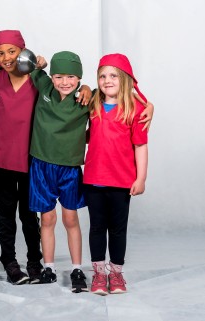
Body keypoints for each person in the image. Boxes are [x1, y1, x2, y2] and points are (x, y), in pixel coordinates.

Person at [83, 53, 149, 295]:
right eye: (102, 76)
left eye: (113, 75)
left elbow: (140, 146)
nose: (107, 80)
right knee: (97, 227)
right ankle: (99, 274)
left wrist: (140, 177)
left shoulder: (136, 108)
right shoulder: (92, 105)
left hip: (121, 181)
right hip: (93, 180)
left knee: (118, 229)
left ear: (125, 79)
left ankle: (116, 273)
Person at [28, 51, 91, 293]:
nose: (65, 82)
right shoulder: (44, 88)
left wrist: (86, 87)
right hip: (42, 166)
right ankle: (49, 267)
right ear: (52, 77)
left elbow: (116, 94)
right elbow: (34, 67)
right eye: (59, 76)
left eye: (72, 77)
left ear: (79, 78)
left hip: (69, 169)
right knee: (47, 219)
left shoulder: (85, 100)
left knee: (70, 218)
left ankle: (77, 268)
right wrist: (39, 63)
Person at [0, 30, 46, 285]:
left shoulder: (37, 78)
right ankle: (9, 262)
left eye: (11, 51)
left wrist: (86, 87)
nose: (6, 57)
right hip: (0, 158)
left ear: (23, 50)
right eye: (0, 53)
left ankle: (35, 261)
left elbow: (66, 88)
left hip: (29, 157)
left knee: (29, 214)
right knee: (5, 214)